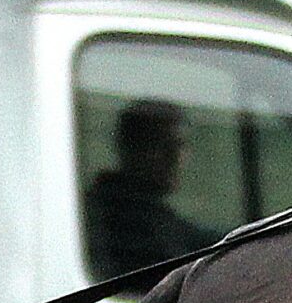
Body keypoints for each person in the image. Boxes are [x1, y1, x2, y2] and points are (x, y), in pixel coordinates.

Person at [81, 95, 210, 274]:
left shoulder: (154, 214)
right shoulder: (120, 218)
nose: (174, 157)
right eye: (162, 145)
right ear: (131, 149)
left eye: (179, 145)